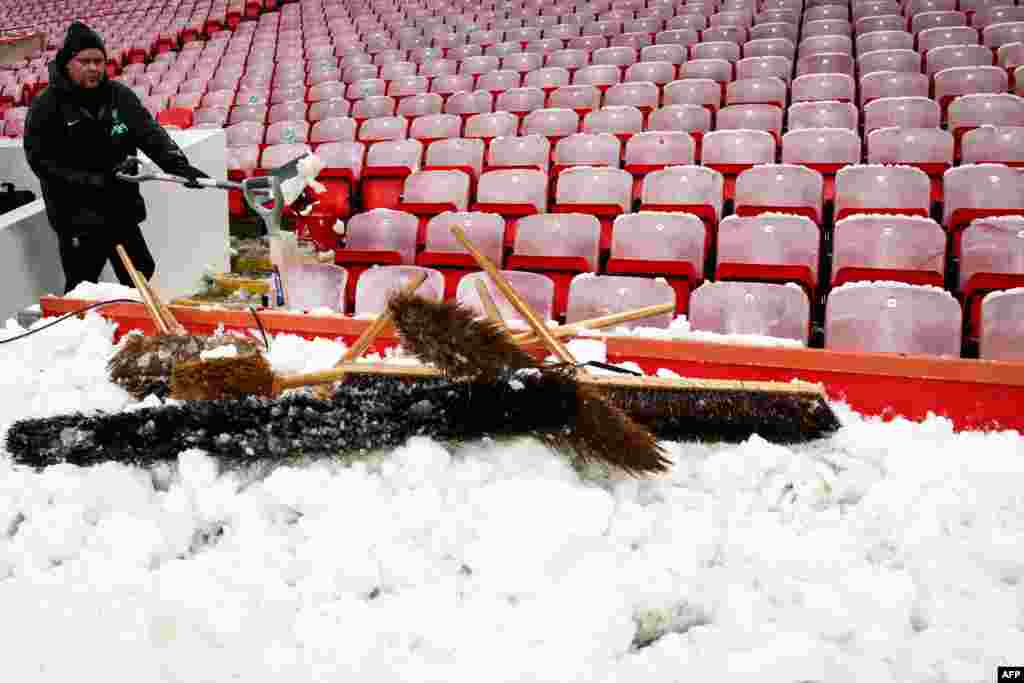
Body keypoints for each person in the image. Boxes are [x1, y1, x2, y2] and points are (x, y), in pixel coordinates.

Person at [24, 22, 210, 293]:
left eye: (98, 61)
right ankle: (82, 332)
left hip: (120, 209)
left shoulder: (119, 96)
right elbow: (42, 162)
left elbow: (150, 134)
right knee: (82, 285)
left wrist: (179, 166)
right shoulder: (46, 106)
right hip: (77, 216)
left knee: (140, 273)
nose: (93, 68)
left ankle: (136, 328)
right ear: (67, 63)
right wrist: (94, 180)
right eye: (85, 61)